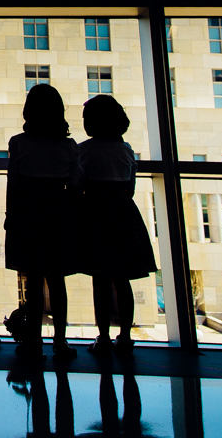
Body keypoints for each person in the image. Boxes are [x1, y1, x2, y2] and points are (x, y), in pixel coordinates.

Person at [4, 83, 80, 358]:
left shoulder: (19, 143)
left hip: (28, 215)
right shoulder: (70, 147)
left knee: (33, 282)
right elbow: (74, 187)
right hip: (58, 216)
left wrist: (10, 218)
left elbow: (14, 184)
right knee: (57, 282)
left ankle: (34, 340)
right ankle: (60, 340)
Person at [78, 95, 156, 355]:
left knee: (100, 282)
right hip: (124, 216)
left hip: (95, 217)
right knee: (123, 281)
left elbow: (79, 186)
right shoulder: (126, 150)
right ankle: (125, 336)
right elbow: (130, 189)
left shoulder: (85, 150)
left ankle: (103, 337)